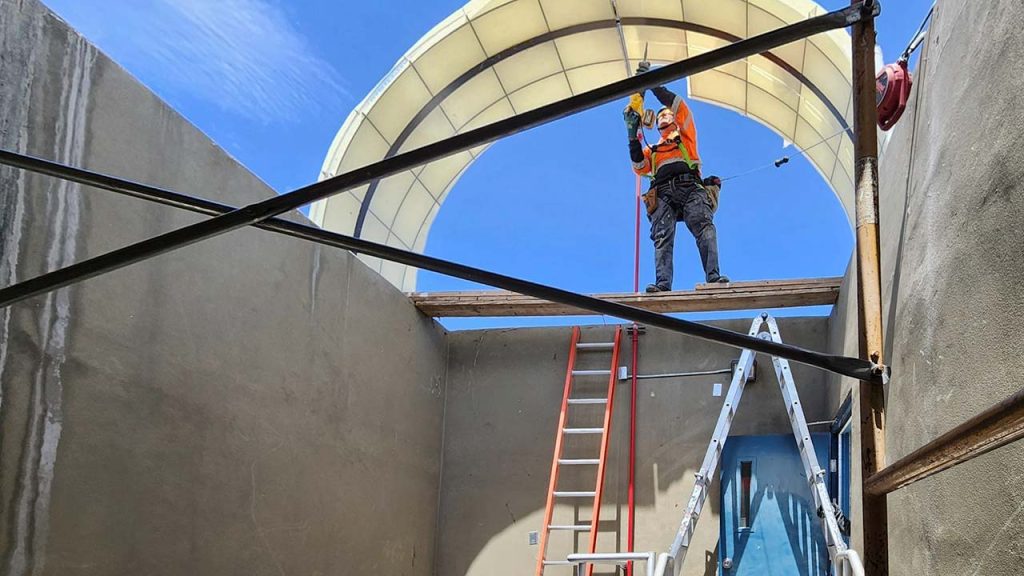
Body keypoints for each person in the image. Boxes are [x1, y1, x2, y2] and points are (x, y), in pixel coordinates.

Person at [624, 65, 729, 292]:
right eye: (660, 114)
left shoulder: (685, 136)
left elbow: (678, 106)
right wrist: (632, 137)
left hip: (689, 187)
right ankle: (663, 285)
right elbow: (639, 167)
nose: (663, 115)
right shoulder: (653, 150)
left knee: (704, 227)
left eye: (665, 113)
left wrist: (652, 84)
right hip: (662, 193)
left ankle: (713, 278)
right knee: (662, 237)